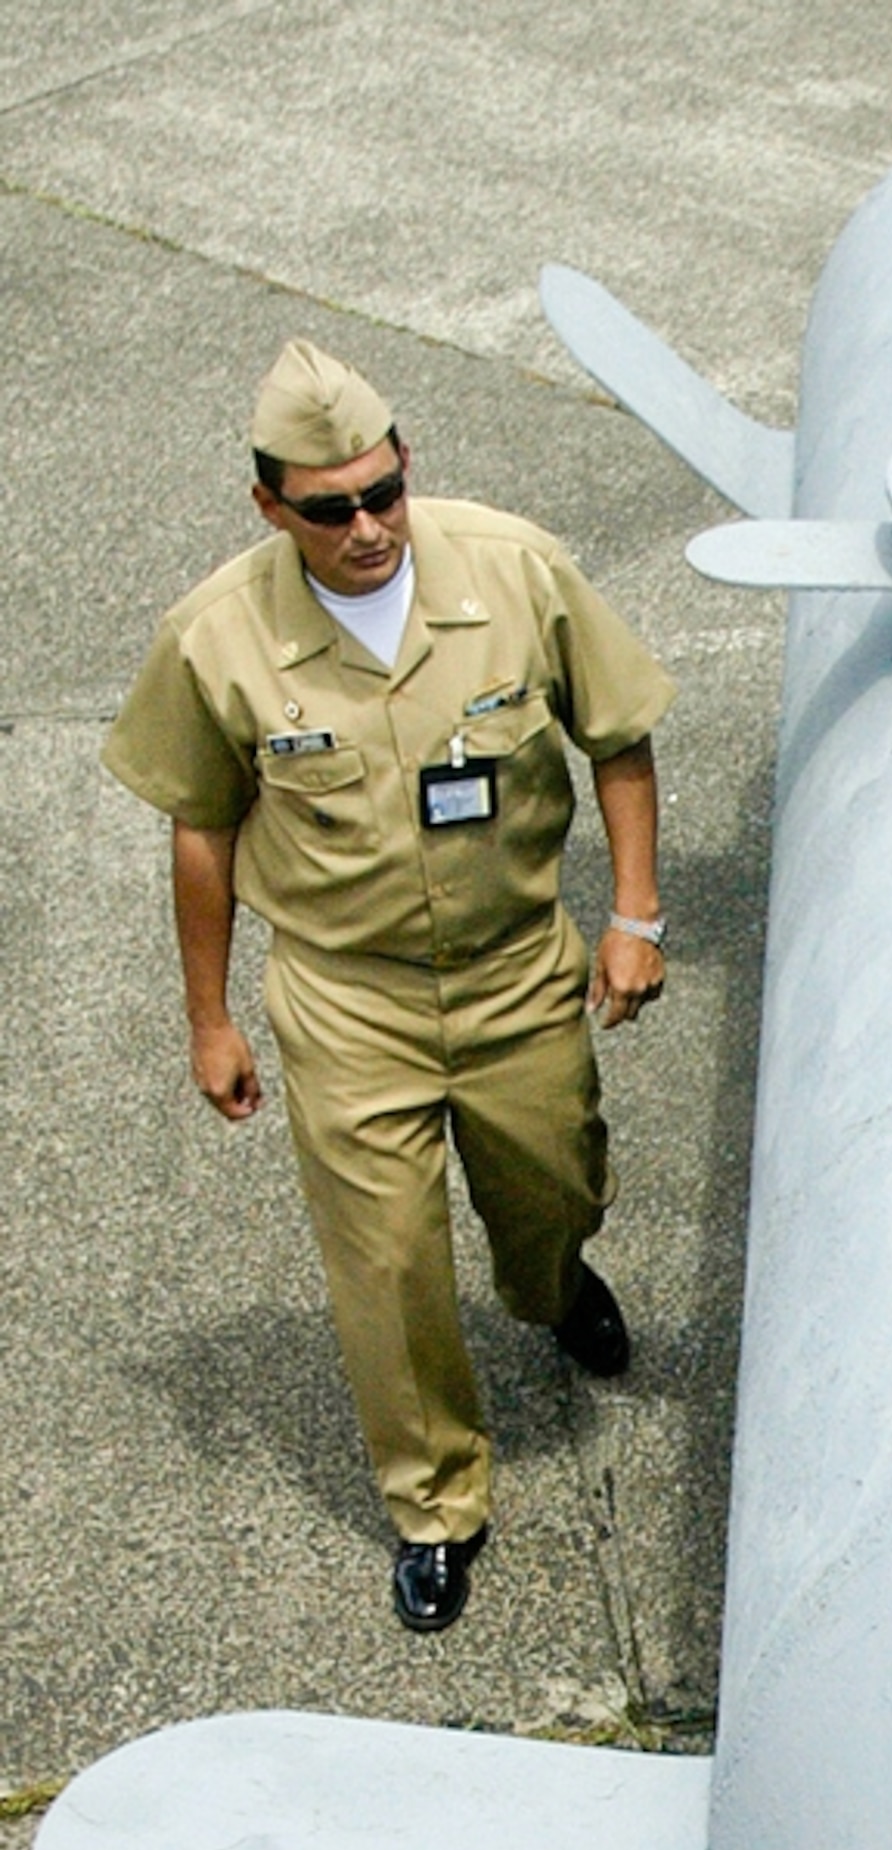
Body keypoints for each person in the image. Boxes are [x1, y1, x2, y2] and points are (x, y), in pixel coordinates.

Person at [103, 339, 675, 1633]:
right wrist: (210, 1017)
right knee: (387, 1264)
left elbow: (619, 735)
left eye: (383, 492)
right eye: (329, 508)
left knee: (557, 1183)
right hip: (346, 999)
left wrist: (632, 914)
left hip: (517, 969)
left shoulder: (517, 571)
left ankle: (552, 1281)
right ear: (270, 508)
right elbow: (200, 827)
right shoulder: (219, 636)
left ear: (406, 467)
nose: (366, 527)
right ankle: (435, 1504)